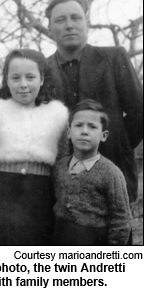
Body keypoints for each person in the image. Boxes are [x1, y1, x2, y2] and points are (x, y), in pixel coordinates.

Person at [45, 0, 143, 205]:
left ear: (87, 24)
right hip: (59, 181)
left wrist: (117, 142)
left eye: (76, 18)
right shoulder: (41, 70)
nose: (69, 25)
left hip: (112, 171)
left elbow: (141, 112)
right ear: (50, 29)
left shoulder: (114, 57)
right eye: (60, 20)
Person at [0, 49, 69, 245]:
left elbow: (62, 162)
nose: (23, 84)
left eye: (30, 77)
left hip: (40, 198)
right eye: (15, 77)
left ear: (42, 79)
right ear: (7, 80)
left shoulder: (57, 115)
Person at [52, 99, 132, 246]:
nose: (84, 131)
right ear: (69, 132)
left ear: (104, 135)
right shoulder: (59, 167)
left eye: (92, 127)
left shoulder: (111, 173)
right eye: (78, 125)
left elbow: (121, 221)